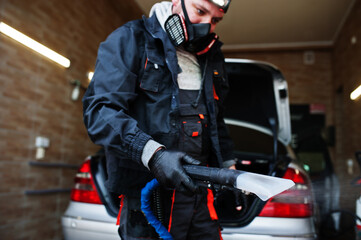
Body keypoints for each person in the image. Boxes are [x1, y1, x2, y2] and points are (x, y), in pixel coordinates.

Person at [82, 0, 235, 239]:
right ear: (177, 2)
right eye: (200, 11)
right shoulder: (131, 39)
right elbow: (101, 111)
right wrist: (154, 155)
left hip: (200, 198)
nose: (207, 25)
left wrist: (229, 170)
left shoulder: (212, 58)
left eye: (215, 20)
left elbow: (217, 121)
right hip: (148, 200)